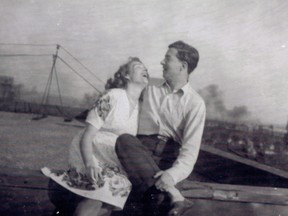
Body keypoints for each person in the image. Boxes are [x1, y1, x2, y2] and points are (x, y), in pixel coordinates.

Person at [42, 57, 149, 216]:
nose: (145, 69)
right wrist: (90, 163)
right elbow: (87, 135)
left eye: (146, 68)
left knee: (119, 189)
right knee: (103, 189)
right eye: (139, 67)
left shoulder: (140, 107)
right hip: (91, 152)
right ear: (126, 75)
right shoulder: (112, 96)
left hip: (113, 159)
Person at [115, 41, 206, 216]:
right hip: (140, 153)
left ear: (183, 66)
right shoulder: (148, 86)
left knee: (144, 201)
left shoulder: (196, 103)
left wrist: (171, 175)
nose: (162, 63)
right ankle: (175, 197)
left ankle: (160, 195)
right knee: (124, 140)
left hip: (169, 159)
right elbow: (121, 96)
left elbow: (190, 151)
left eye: (167, 58)